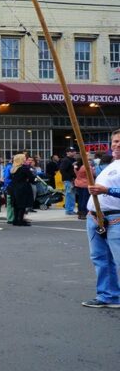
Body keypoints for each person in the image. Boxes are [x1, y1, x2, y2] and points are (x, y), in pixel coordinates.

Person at [83, 129, 120, 308]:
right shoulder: (112, 165)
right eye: (114, 141)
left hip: (116, 219)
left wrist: (106, 191)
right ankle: (109, 295)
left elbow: (107, 190)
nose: (117, 145)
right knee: (100, 258)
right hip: (95, 217)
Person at [8, 153, 35, 227]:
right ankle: (20, 220)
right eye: (24, 159)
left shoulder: (13, 169)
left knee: (16, 205)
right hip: (23, 187)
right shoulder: (24, 168)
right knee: (22, 205)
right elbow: (32, 178)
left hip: (14, 188)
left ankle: (15, 220)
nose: (26, 160)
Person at [59, 147, 78, 215]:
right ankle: (69, 210)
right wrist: (69, 178)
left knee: (71, 195)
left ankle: (70, 209)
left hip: (72, 180)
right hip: (68, 180)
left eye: (74, 151)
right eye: (71, 151)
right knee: (70, 195)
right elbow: (62, 170)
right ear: (67, 152)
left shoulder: (73, 159)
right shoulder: (66, 160)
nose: (74, 152)